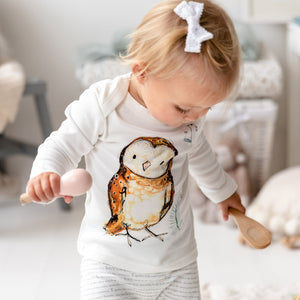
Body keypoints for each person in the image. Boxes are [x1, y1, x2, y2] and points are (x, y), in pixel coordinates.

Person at [26, 1, 245, 299]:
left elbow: (201, 155)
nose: (195, 118)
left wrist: (223, 191)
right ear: (142, 72)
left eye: (207, 108)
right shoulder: (105, 105)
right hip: (108, 265)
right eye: (184, 108)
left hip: (176, 266)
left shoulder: (189, 122)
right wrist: (46, 172)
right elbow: (62, 143)